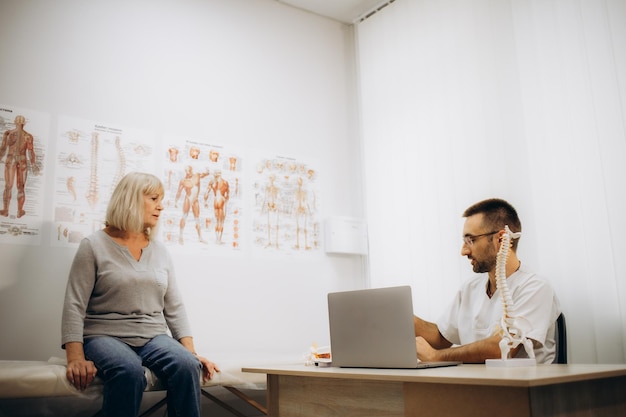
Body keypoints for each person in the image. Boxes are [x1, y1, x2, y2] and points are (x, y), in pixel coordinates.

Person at [61, 172, 219, 417]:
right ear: (131, 200)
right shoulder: (93, 245)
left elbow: (174, 306)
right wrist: (75, 357)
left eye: (161, 199)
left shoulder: (159, 251)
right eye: (154, 198)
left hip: (152, 337)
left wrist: (192, 353)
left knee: (188, 365)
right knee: (128, 370)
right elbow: (74, 304)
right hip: (104, 335)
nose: (161, 205)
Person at [413, 198, 561, 364]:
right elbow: (442, 337)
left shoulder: (535, 287)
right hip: (475, 384)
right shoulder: (470, 288)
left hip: (521, 387)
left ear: (501, 239)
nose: (463, 251)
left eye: (471, 240)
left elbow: (501, 349)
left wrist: (437, 357)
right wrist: (407, 319)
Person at [0, 115, 39, 218]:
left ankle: (5, 210)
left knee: (8, 186)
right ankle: (19, 211)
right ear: (24, 123)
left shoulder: (8, 134)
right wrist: (34, 165)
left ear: (15, 122)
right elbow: (31, 152)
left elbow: (2, 150)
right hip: (22, 162)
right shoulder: (28, 136)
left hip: (10, 160)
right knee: (20, 188)